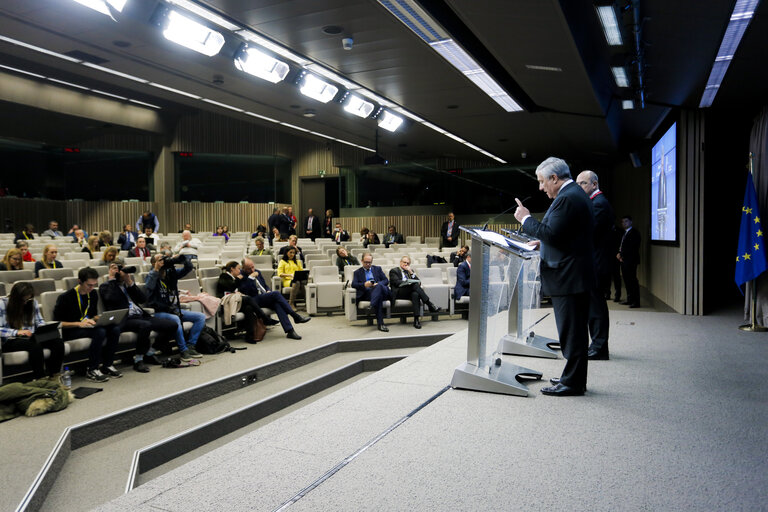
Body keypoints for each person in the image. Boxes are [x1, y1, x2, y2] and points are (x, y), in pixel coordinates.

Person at [514, 156, 594, 397]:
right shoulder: (573, 196)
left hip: (568, 277)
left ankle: (573, 383)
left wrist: (525, 219)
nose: (541, 187)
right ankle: (572, 377)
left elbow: (551, 232)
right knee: (573, 332)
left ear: (554, 178)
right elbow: (562, 237)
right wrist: (543, 244)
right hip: (572, 274)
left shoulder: (567, 198)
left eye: (541, 182)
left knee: (572, 332)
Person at [99, 264, 177, 372]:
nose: (123, 273)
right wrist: (112, 278)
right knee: (145, 326)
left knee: (172, 325)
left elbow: (142, 299)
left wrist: (129, 282)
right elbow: (110, 299)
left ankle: (149, 352)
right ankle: (138, 360)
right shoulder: (106, 286)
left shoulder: (128, 285)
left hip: (140, 316)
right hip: (125, 319)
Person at [54, 267, 122, 382]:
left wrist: (100, 318)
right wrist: (79, 323)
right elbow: (58, 323)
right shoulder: (66, 297)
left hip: (87, 326)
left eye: (94, 285)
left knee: (114, 329)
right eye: (89, 285)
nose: (91, 288)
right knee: (100, 331)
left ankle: (107, 365)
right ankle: (92, 369)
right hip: (71, 330)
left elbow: (92, 315)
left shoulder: (93, 294)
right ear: (80, 281)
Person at [577, 170, 615, 360]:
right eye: (578, 184)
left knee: (597, 308)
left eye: (583, 183)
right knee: (593, 307)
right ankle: (597, 345)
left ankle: (599, 348)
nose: (580, 187)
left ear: (594, 184)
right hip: (594, 263)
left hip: (597, 264)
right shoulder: (594, 203)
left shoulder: (599, 204)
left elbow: (589, 234)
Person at [145, 254, 205, 361]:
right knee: (176, 319)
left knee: (200, 317)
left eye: (164, 259)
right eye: (160, 260)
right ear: (154, 264)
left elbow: (188, 268)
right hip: (158, 312)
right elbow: (148, 287)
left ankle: (191, 346)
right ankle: (183, 350)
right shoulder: (151, 275)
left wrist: (183, 259)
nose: (164, 261)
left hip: (172, 310)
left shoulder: (170, 273)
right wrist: (156, 270)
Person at [0, 282, 65, 380]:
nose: (25, 302)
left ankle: (54, 376)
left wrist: (43, 329)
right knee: (34, 346)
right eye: (23, 300)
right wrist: (16, 332)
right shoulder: (2, 304)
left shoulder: (32, 302)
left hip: (31, 336)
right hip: (10, 340)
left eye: (27, 299)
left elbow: (39, 321)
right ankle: (41, 378)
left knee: (58, 342)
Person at [239, 258, 310, 339]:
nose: (252, 270)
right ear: (243, 268)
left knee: (277, 304)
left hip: (264, 296)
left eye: (253, 267)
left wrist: (268, 290)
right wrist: (250, 278)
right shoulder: (241, 275)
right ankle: (295, 316)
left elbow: (265, 285)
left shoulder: (257, 272)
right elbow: (245, 291)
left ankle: (290, 331)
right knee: (276, 293)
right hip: (253, 299)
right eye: (249, 269)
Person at [216, 261, 279, 342]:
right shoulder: (224, 276)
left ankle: (250, 336)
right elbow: (230, 286)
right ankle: (264, 317)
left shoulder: (236, 277)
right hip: (228, 302)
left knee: (248, 308)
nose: (240, 271)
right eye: (238, 269)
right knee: (248, 298)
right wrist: (238, 279)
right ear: (232, 269)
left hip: (237, 302)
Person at [389, 256, 441, 329]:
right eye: (404, 262)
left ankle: (416, 320)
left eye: (408, 263)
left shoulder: (410, 271)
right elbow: (396, 283)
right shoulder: (394, 271)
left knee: (415, 294)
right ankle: (430, 304)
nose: (406, 264)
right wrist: (407, 282)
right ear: (400, 262)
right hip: (399, 292)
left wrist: (411, 272)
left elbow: (418, 282)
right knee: (414, 285)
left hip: (409, 292)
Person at [352, 252, 391, 332]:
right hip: (369, 293)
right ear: (362, 261)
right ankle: (381, 324)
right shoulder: (357, 272)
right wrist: (364, 284)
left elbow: (386, 280)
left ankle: (371, 306)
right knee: (378, 297)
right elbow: (354, 284)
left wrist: (378, 284)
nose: (368, 264)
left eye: (369, 262)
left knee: (379, 287)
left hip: (383, 292)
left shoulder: (378, 269)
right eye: (366, 262)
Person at [618, 215, 641, 308]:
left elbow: (632, 247)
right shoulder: (625, 233)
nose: (624, 223)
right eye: (623, 222)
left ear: (631, 222)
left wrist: (622, 254)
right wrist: (619, 253)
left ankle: (636, 302)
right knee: (627, 280)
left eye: (626, 221)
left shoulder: (634, 233)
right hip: (624, 260)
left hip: (631, 260)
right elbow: (623, 246)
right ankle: (630, 299)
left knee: (632, 280)